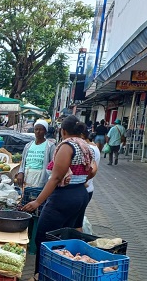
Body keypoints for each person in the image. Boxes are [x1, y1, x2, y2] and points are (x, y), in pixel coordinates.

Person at [22, 115, 97, 271]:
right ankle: (60, 273)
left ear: (62, 131)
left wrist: (38, 202)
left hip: (64, 197)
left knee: (43, 237)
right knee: (64, 238)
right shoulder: (86, 146)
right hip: (80, 195)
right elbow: (93, 170)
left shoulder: (67, 146)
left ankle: (41, 276)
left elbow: (56, 178)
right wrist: (81, 180)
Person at [74, 122, 101, 232]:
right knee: (77, 222)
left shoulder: (87, 149)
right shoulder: (94, 147)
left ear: (81, 135)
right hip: (88, 189)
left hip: (83, 189)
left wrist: (83, 181)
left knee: (76, 224)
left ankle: (77, 244)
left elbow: (92, 170)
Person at [16, 119, 55, 190]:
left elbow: (52, 164)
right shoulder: (28, 146)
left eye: (41, 129)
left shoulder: (50, 146)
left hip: (41, 177)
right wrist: (21, 172)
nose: (38, 132)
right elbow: (23, 162)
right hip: (27, 176)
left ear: (45, 131)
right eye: (36, 129)